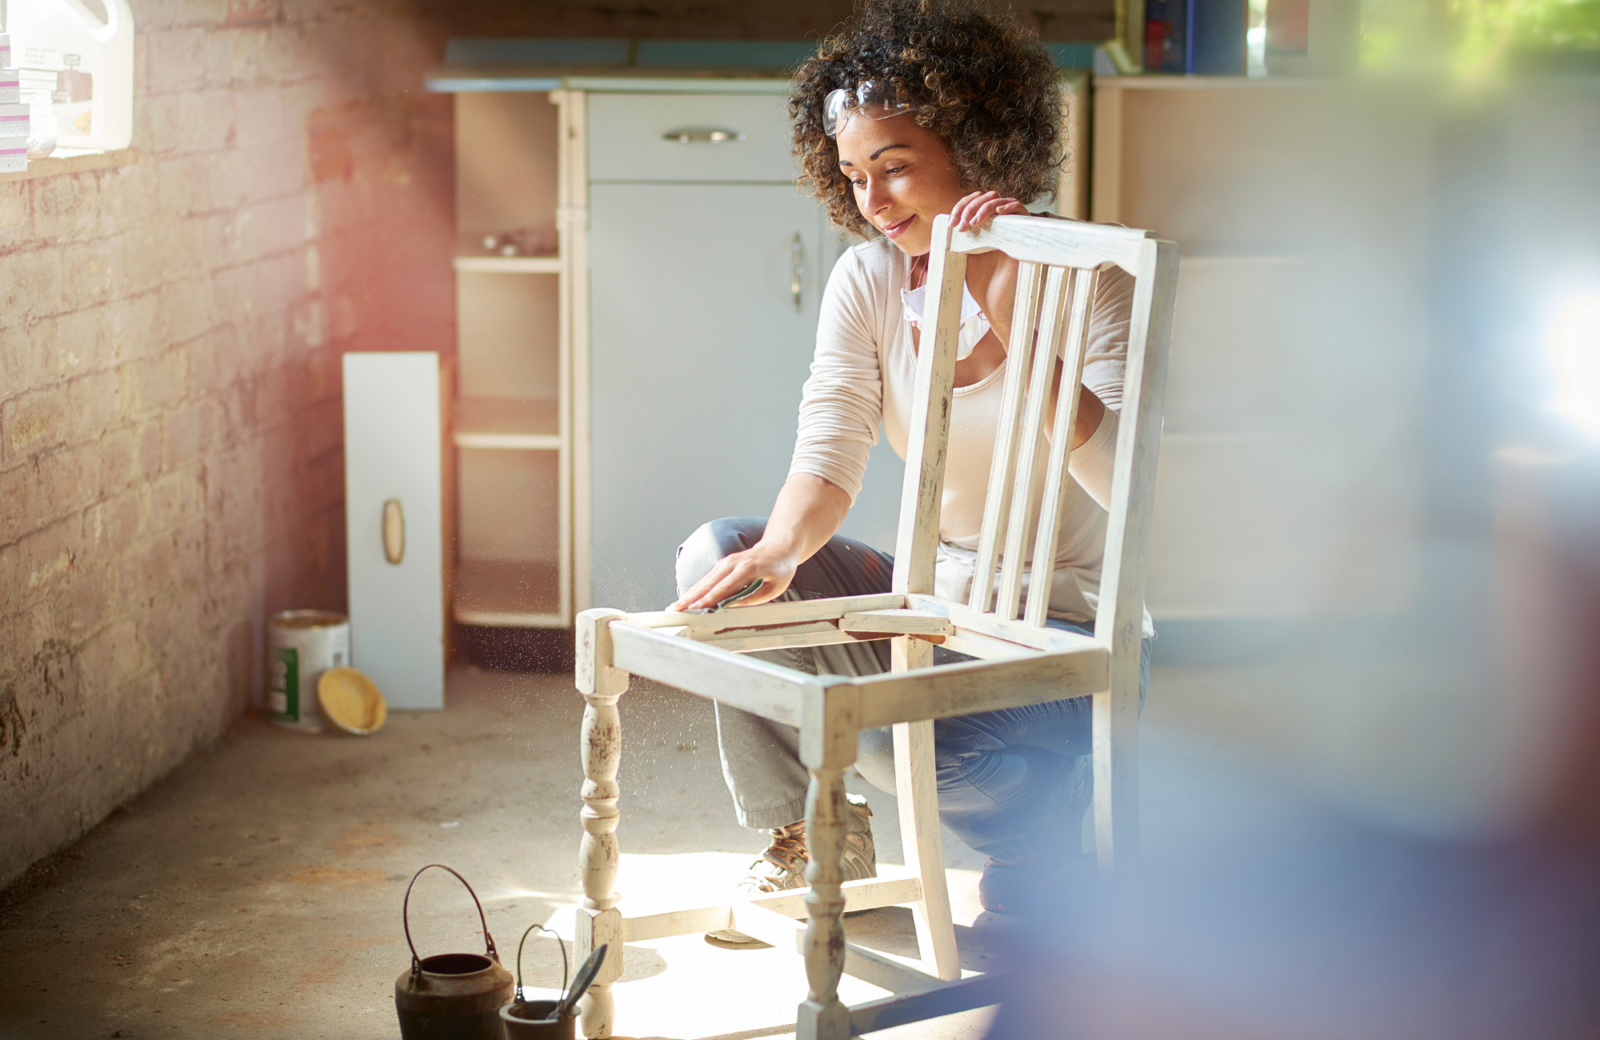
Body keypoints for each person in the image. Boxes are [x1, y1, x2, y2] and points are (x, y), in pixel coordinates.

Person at [669, 0, 1153, 931]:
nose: (873, 202)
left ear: (978, 149)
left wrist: (1005, 302)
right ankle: (817, 835)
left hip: (1064, 646)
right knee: (718, 561)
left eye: (895, 169)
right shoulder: (870, 281)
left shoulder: (1091, 280)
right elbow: (829, 451)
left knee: (908, 727)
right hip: (938, 611)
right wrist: (778, 551)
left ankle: (1044, 838)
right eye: (854, 175)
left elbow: (1120, 486)